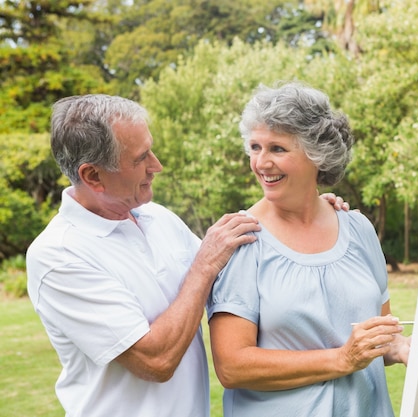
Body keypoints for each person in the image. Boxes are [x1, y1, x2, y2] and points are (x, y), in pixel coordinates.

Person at [26, 94, 348, 417]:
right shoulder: (59, 256)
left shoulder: (156, 218)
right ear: (93, 176)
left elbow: (235, 276)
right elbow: (156, 360)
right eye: (140, 159)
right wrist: (203, 266)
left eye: (150, 149)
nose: (156, 166)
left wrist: (311, 210)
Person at [207, 82, 411, 417]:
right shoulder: (242, 240)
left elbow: (377, 337)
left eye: (277, 149)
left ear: (317, 154)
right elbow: (232, 366)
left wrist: (401, 347)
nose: (261, 162)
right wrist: (341, 359)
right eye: (255, 147)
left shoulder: (358, 229)